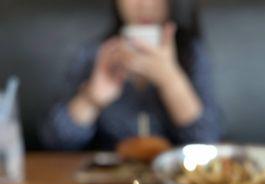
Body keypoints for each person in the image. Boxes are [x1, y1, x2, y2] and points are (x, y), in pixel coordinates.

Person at [41, 0, 221, 150]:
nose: (144, 5)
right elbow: (55, 142)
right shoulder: (96, 54)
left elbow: (208, 143)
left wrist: (171, 80)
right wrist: (91, 99)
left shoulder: (191, 53)